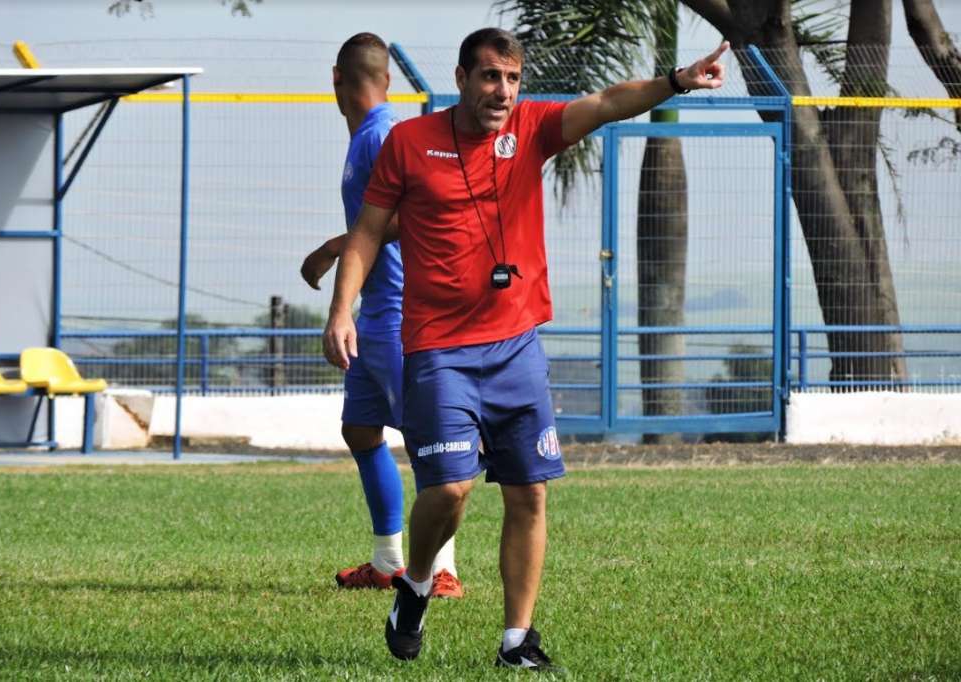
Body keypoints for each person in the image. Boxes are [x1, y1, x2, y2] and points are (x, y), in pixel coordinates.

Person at [322, 27, 727, 670]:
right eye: (490, 77)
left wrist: (676, 82)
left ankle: (518, 640)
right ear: (461, 79)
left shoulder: (532, 128)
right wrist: (341, 310)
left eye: (512, 79)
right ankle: (417, 582)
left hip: (516, 347)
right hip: (439, 349)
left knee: (528, 493)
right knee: (452, 488)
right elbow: (369, 232)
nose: (502, 91)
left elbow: (606, 102)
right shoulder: (407, 142)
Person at [300, 32, 463, 599]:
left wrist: (332, 247)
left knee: (428, 442)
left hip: (401, 315)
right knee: (361, 429)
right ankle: (388, 560)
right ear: (388, 79)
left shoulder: (386, 135)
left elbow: (418, 215)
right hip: (372, 317)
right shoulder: (367, 137)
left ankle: (441, 569)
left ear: (336, 81)